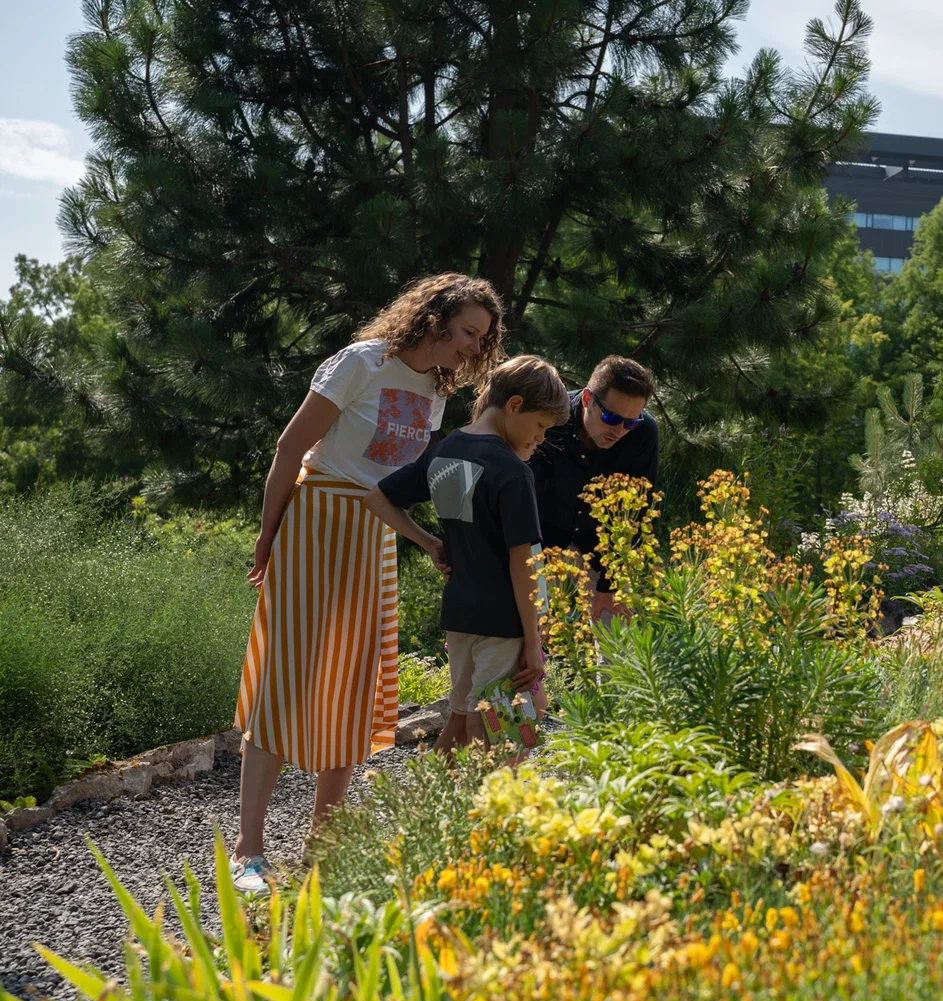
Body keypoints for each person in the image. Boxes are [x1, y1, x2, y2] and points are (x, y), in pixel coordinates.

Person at [232, 273, 504, 894]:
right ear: (433, 317)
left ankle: (324, 842)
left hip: (374, 536)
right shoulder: (361, 362)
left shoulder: (436, 388)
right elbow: (289, 448)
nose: (472, 346)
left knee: (356, 682)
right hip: (315, 520)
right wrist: (268, 534)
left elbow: (417, 477)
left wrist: (442, 540)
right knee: (287, 676)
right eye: (467, 331)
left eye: (481, 338)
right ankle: (250, 849)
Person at [364, 356, 568, 754]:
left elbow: (377, 498)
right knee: (502, 728)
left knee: (463, 717)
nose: (541, 438)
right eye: (541, 425)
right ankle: (490, 810)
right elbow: (521, 562)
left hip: (459, 616)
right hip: (503, 623)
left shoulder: (446, 450)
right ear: (514, 406)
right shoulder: (511, 471)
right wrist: (533, 641)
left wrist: (428, 542)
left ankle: (434, 808)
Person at [528, 356, 660, 621]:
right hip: (541, 537)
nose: (620, 431)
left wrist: (609, 586)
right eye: (611, 417)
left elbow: (636, 513)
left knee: (617, 634)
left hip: (603, 543)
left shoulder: (643, 435)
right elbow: (521, 495)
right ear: (587, 399)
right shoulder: (550, 419)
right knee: (524, 631)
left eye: (631, 422)